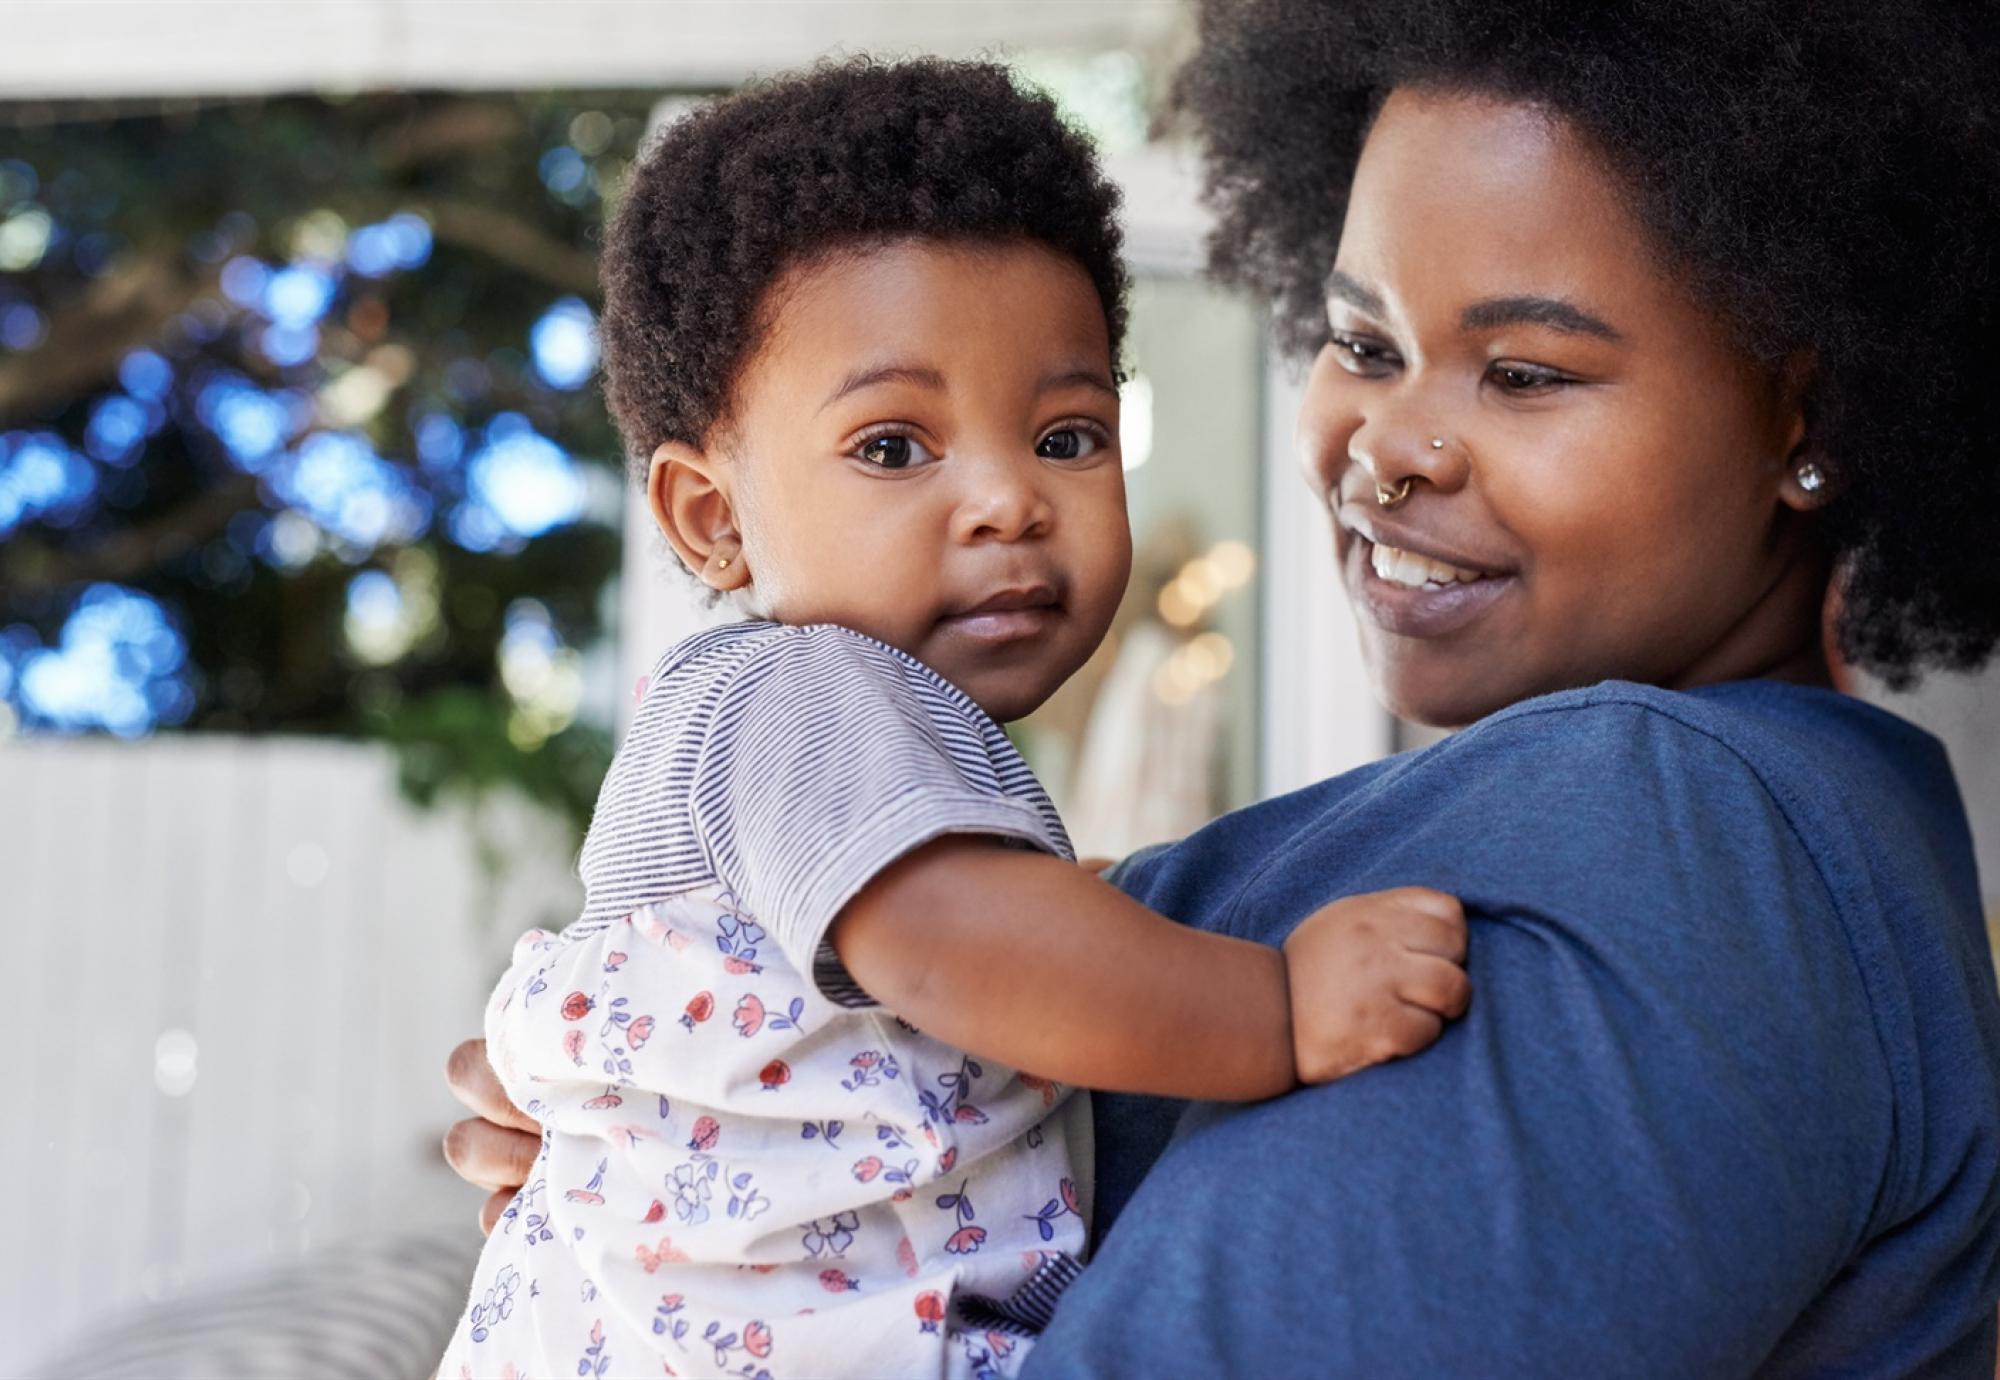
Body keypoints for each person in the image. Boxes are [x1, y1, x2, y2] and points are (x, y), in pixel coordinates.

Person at [447, 0, 2000, 1372]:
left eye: (1524, 371)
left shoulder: (1693, 838)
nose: (1390, 447)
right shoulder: (1640, 817)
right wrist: (713, 1110)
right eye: (1359, 341)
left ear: (1817, 406)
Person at [437, 58, 1473, 1380]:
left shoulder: (860, 739)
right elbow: (947, 942)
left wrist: (1075, 902)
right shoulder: (802, 688)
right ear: (713, 518)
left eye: (1066, 436)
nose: (1008, 501)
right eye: (891, 447)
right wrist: (1276, 1008)